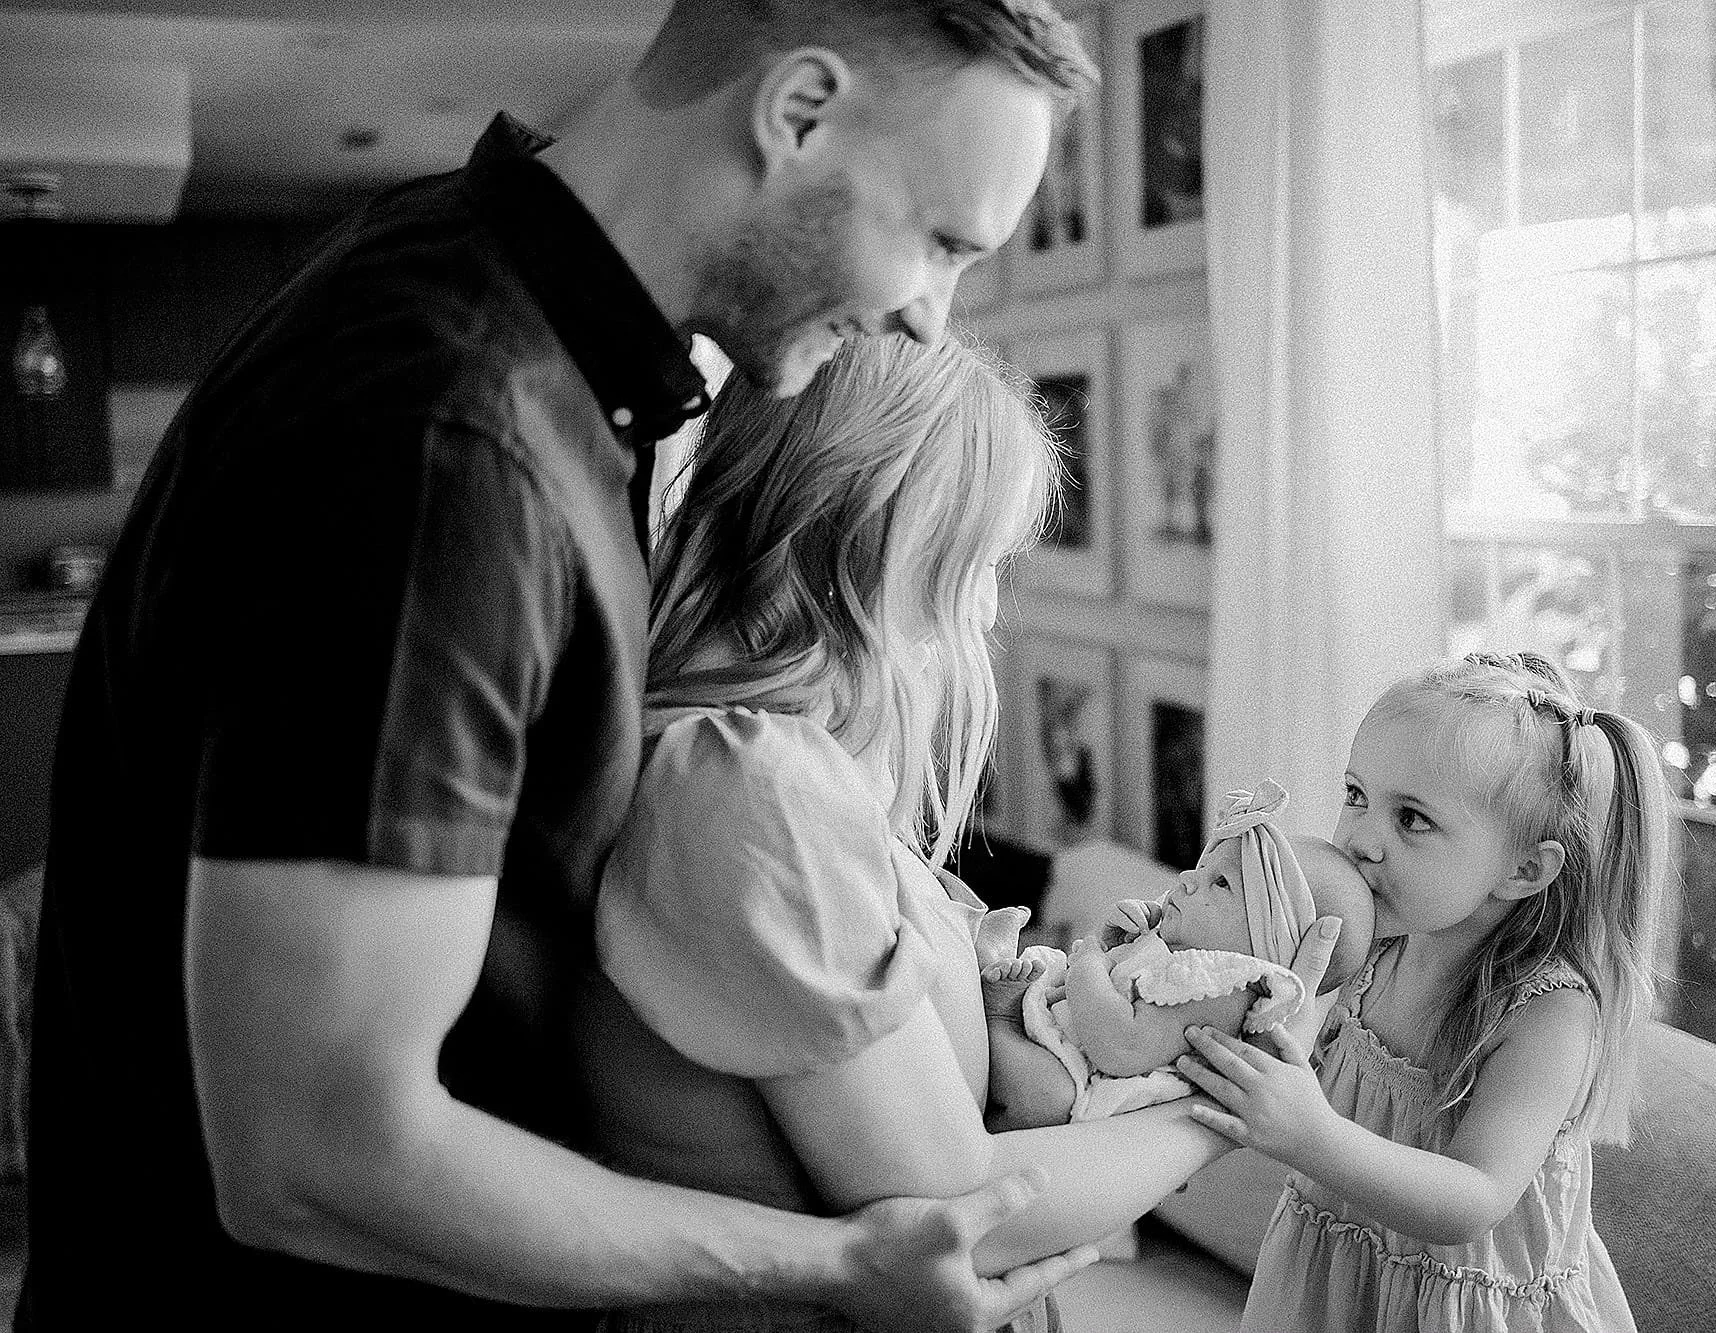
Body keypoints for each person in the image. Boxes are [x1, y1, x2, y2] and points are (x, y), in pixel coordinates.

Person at [20, 4, 1103, 1329]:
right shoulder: (447, 430)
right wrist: (830, 1264)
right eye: (939, 243)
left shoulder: (528, 352)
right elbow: (318, 1153)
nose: (931, 323)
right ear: (799, 110)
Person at [575, 332, 1345, 1333]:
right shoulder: (751, 786)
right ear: (900, 540)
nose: (985, 610)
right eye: (982, 562)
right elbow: (963, 1213)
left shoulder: (762, 764)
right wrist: (1243, 1100)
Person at [1177, 651, 1671, 1332]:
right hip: (1334, 1287)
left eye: (1411, 818)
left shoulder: (1548, 1012)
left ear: (1525, 868)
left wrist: (1312, 1134)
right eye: (1356, 794)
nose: (1361, 840)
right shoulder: (1371, 943)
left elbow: (1478, 1193)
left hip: (1461, 1310)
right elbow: (1289, 1060)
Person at [981, 780, 1376, 1129]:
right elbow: (1127, 980)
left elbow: (1122, 1046)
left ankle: (1000, 1023)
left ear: (1269, 942)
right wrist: (1125, 939)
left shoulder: (1223, 989)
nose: (1186, 880)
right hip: (1062, 1032)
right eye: (1201, 870)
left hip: (1080, 1071)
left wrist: (1088, 962)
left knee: (1047, 1095)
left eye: (1220, 883)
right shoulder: (1186, 958)